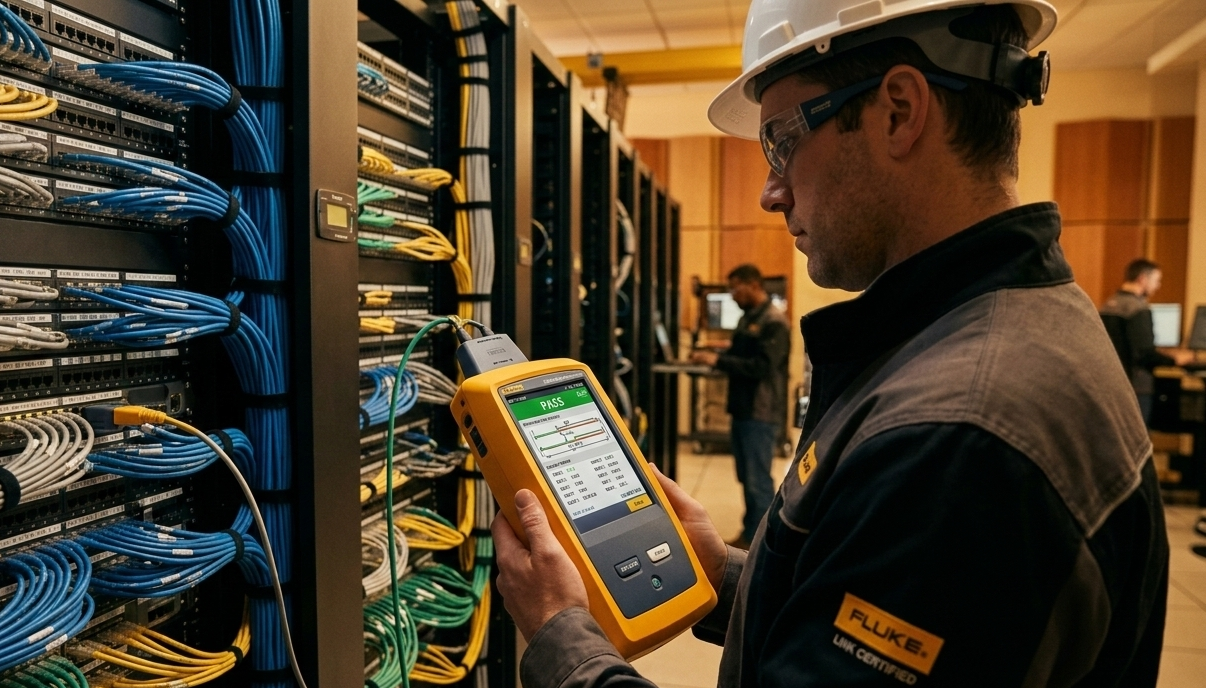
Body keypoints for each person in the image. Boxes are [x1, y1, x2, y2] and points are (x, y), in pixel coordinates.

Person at [491, 1, 1170, 686]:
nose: (771, 192)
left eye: (782, 141)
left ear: (898, 111)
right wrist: (725, 576)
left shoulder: (958, 440)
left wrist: (562, 638)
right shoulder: (1001, 331)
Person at [689, 265, 789, 546]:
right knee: (747, 477)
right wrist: (718, 350)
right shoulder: (750, 318)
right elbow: (743, 351)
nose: (732, 295)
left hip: (760, 411)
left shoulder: (774, 322)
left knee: (758, 481)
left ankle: (762, 544)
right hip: (743, 409)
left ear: (753, 284)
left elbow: (762, 367)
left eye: (735, 288)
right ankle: (750, 535)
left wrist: (717, 361)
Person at [1100, 258, 1195, 425]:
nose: (1157, 286)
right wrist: (1174, 359)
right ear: (1143, 279)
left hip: (1109, 385)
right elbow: (1145, 354)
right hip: (1136, 387)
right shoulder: (1138, 309)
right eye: (1156, 280)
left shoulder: (1107, 305)